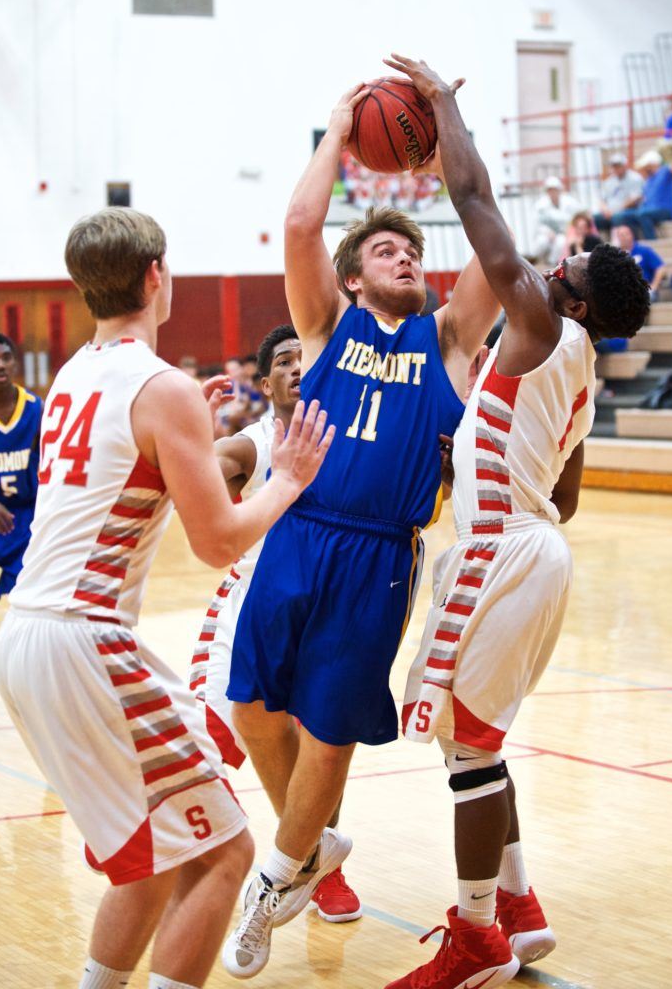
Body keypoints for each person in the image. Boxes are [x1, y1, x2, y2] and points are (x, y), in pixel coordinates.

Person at [0, 207, 334, 989]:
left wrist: (189, 416)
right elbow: (216, 542)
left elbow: (124, 460)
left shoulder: (75, 373)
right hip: (86, 637)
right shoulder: (164, 387)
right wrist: (288, 479)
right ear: (156, 275)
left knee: (154, 856)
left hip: (28, 637)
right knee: (227, 854)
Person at [221, 81, 501, 979]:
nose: (406, 255)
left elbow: (489, 235)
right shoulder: (328, 325)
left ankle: (270, 887)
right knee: (254, 713)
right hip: (299, 533)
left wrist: (446, 128)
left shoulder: (449, 341)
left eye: (414, 248)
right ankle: (309, 850)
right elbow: (302, 224)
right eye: (386, 247)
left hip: (380, 555)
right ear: (353, 276)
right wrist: (343, 128)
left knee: (330, 730)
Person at [382, 53, 650, 989]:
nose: (541, 262)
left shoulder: (537, 325)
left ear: (570, 298)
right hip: (532, 544)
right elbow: (568, 496)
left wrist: (445, 107)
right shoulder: (577, 375)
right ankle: (520, 907)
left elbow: (474, 197)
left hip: (504, 549)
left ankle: (476, 937)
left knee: (468, 749)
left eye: (560, 264)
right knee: (475, 740)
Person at [191, 323, 362, 925]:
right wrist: (197, 437)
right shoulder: (254, 443)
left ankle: (320, 866)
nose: (296, 367)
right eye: (283, 361)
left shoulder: (348, 436)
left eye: (303, 358)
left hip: (326, 603)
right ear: (263, 384)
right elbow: (210, 464)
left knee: (321, 742)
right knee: (210, 739)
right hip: (252, 604)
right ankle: (295, 857)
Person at [0, 333, 43, 600]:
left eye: (6, 358)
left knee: (32, 605)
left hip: (24, 522)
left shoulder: (37, 409)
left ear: (15, 364)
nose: (0, 365)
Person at [613, 149, 672, 239]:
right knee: (623, 217)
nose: (645, 168)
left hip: (665, 210)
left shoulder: (664, 171)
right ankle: (633, 243)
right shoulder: (648, 180)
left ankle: (652, 242)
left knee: (643, 214)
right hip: (648, 210)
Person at [530, 176, 581, 265]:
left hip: (564, 233)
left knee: (561, 242)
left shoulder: (569, 202)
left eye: (554, 189)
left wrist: (568, 231)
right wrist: (548, 232)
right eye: (550, 190)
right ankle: (534, 263)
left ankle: (552, 265)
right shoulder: (540, 205)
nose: (552, 192)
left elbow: (576, 216)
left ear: (559, 190)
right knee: (542, 241)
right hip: (547, 234)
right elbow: (537, 224)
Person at [593, 152, 644, 234]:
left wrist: (616, 210)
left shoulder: (635, 178)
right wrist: (605, 210)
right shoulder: (609, 181)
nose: (615, 168)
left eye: (618, 165)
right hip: (610, 212)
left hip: (628, 210)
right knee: (594, 219)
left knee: (618, 217)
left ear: (624, 165)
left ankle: (624, 241)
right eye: (613, 166)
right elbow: (601, 199)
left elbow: (635, 198)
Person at [615, 222, 664, 300]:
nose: (624, 237)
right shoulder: (616, 255)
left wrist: (654, 286)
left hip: (644, 290)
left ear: (632, 235)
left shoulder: (644, 250)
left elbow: (660, 268)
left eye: (626, 234)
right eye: (621, 235)